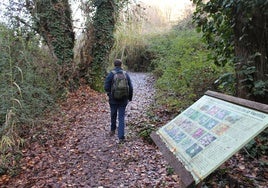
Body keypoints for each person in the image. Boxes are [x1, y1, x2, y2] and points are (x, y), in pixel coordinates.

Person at [104, 59, 133, 143]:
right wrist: (129, 98)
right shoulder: (125, 74)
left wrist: (109, 94)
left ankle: (112, 130)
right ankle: (121, 137)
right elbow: (130, 87)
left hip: (113, 99)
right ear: (121, 65)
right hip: (123, 99)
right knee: (121, 118)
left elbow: (106, 86)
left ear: (114, 65)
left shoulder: (111, 74)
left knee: (113, 114)